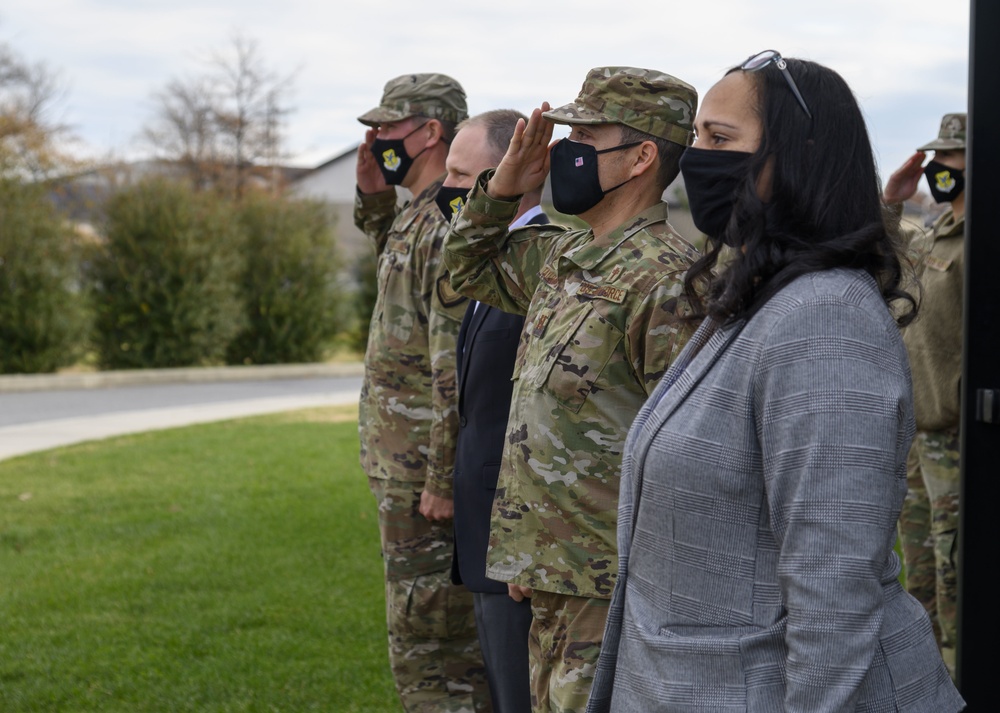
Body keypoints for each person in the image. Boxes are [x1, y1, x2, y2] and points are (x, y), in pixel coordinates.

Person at [587, 51, 965, 712]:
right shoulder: (761, 300)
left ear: (797, 157)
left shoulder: (825, 319)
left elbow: (834, 593)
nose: (696, 157)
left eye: (720, 139)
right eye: (698, 135)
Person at [445, 67, 700, 712]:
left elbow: (684, 458)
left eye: (586, 135)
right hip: (550, 574)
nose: (564, 150)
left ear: (642, 156)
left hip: (611, 588)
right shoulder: (567, 258)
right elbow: (460, 268)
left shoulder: (667, 284)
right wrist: (504, 186)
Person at [354, 72, 491, 712]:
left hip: (422, 476)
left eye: (388, 128)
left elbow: (452, 364)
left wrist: (440, 475)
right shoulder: (421, 211)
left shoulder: (446, 220)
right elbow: (391, 255)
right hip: (403, 467)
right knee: (419, 634)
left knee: (435, 645)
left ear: (431, 131)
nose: (377, 139)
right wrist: (374, 194)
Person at [444, 109, 548, 713]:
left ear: (512, 174)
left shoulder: (544, 266)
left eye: (465, 175)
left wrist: (525, 539)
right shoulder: (500, 263)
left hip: (522, 538)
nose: (450, 190)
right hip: (488, 529)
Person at [884, 112, 967, 677]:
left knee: (956, 574)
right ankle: (925, 684)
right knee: (918, 573)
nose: (938, 168)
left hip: (961, 442)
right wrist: (893, 199)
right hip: (922, 441)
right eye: (934, 158)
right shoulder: (937, 233)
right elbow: (883, 249)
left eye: (951, 159)